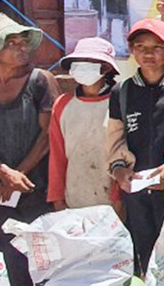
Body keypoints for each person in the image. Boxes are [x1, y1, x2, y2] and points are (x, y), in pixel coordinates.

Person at [0, 14, 58, 286]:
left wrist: (19, 174)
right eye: (13, 43)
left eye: (24, 42)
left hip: (38, 185)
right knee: (12, 257)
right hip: (0, 189)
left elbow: (47, 134)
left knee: (45, 258)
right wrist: (4, 172)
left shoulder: (40, 81)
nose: (23, 48)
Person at [107, 19, 164, 273]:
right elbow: (115, 138)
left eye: (156, 47)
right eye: (140, 46)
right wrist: (119, 169)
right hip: (137, 190)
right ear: (132, 50)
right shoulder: (122, 92)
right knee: (145, 253)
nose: (148, 53)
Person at [48, 37, 119, 211]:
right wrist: (57, 197)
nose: (83, 65)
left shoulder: (120, 101)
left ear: (106, 67)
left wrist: (119, 198)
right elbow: (57, 154)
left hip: (112, 198)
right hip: (75, 195)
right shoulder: (62, 104)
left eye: (90, 61)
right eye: (78, 61)